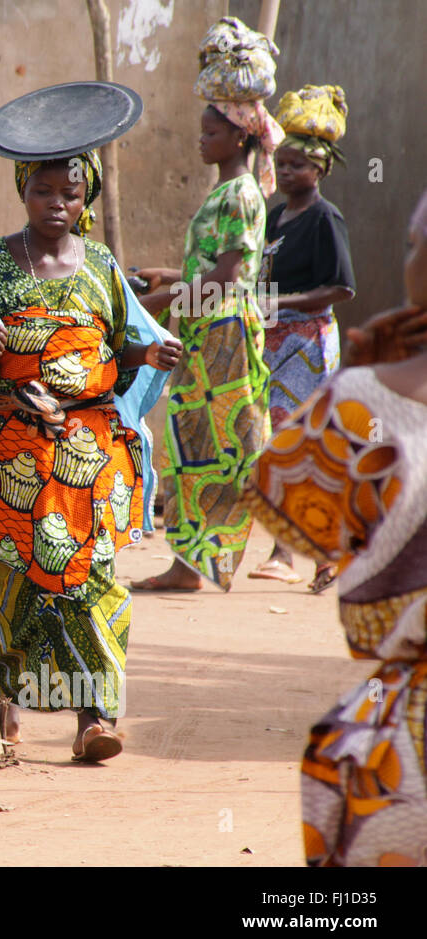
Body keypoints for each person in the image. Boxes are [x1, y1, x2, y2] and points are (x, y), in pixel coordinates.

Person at [0, 150, 181, 761]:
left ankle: (94, 718)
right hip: (4, 447)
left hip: (85, 457)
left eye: (70, 193)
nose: (58, 203)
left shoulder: (101, 266)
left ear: (85, 199)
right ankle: (4, 702)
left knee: (89, 579)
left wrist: (146, 359)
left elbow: (117, 361)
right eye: (44, 191)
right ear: (24, 191)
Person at [244, 188, 427, 866]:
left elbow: (286, 501)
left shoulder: (368, 402)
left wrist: (352, 382)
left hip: (410, 761)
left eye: (413, 244)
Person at [132, 97, 283, 592]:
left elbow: (226, 278)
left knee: (216, 447)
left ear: (238, 137)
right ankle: (192, 563)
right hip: (208, 329)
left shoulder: (240, 194)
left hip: (224, 334)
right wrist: (171, 275)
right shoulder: (227, 191)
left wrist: (161, 299)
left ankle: (201, 562)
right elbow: (213, 272)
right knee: (194, 442)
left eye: (210, 133)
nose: (201, 141)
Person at [248, 85, 355, 593]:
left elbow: (341, 287)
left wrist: (280, 304)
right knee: (280, 446)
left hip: (306, 346)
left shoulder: (323, 218)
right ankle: (295, 549)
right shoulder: (275, 217)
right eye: (282, 163)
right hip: (272, 345)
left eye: (297, 165)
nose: (287, 172)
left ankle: (306, 552)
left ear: (320, 169)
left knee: (299, 446)